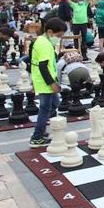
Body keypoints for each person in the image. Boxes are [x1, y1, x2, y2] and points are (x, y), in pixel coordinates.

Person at [29, 18, 65, 147]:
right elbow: (43, 66)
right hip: (45, 81)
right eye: (59, 35)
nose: (59, 38)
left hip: (44, 79)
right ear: (50, 32)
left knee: (55, 104)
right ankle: (37, 137)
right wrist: (52, 83)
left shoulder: (43, 40)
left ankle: (41, 128)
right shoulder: (44, 43)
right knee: (45, 109)